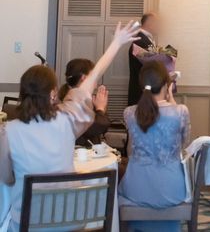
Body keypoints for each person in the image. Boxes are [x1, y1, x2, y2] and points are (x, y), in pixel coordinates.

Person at [0, 21, 140, 232]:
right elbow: (92, 78)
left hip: (29, 224)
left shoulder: (8, 132)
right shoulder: (67, 120)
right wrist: (116, 43)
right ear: (53, 94)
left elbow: (6, 178)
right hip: (71, 222)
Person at [119, 60, 191, 232]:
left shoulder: (129, 113)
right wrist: (172, 101)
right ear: (167, 85)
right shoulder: (180, 112)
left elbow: (130, 150)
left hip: (136, 190)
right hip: (172, 190)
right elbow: (185, 144)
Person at [58, 58, 112, 147]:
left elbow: (102, 130)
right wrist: (100, 109)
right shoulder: (72, 101)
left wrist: (100, 110)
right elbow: (96, 128)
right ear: (84, 78)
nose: (96, 84)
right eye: (94, 77)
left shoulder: (80, 98)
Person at [128, 12, 161, 106]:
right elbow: (151, 64)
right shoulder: (140, 41)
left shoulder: (145, 39)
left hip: (144, 92)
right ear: (150, 23)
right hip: (141, 93)